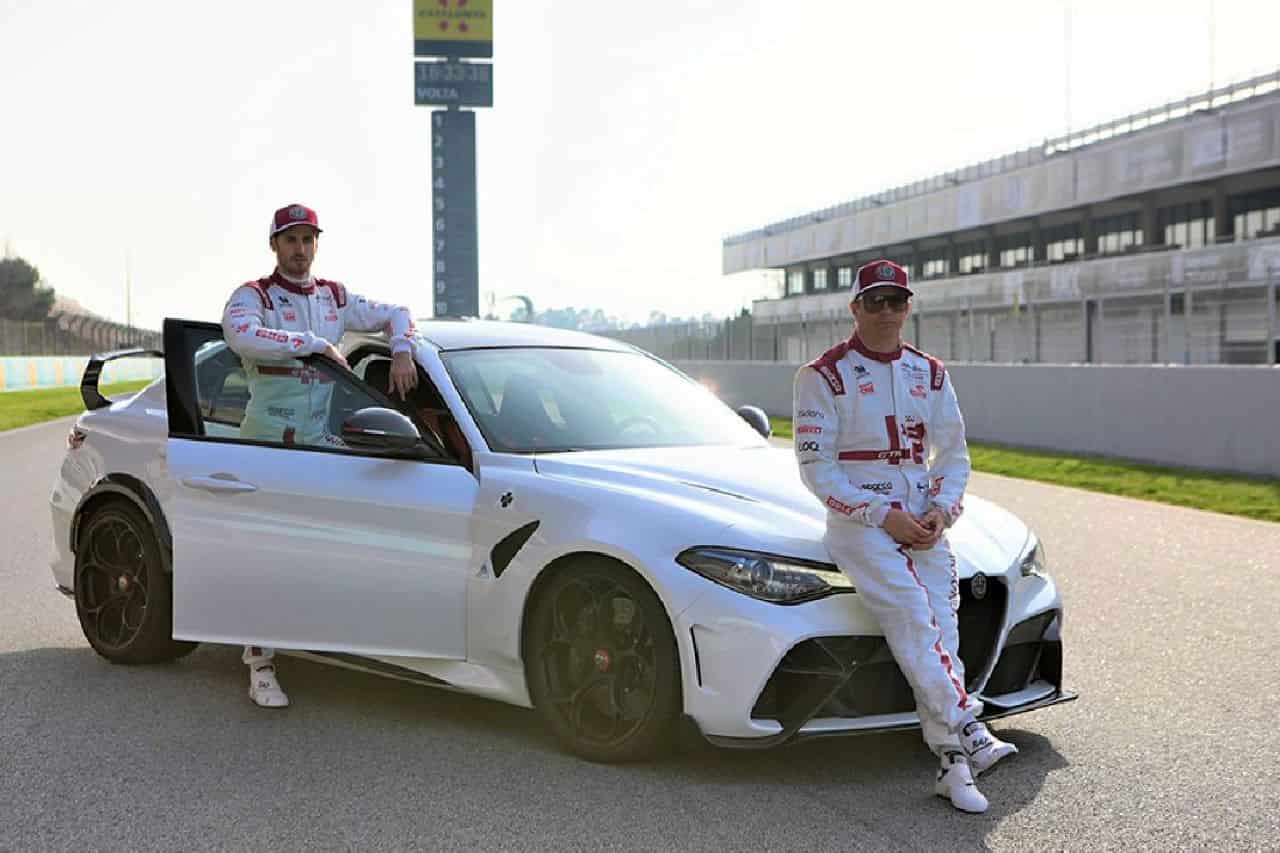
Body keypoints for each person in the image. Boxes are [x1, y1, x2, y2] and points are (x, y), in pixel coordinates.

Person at [792, 259, 1017, 814]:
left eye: (897, 301)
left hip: (922, 519)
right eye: (875, 301)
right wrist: (877, 513)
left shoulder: (931, 372)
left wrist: (942, 510)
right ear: (855, 308)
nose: (887, 311)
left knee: (942, 634)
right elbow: (816, 468)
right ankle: (970, 725)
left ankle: (953, 765)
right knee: (914, 619)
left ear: (908, 306)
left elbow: (954, 452)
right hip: (860, 523)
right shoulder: (821, 376)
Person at [220, 202, 420, 709]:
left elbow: (398, 312)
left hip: (319, 442)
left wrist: (401, 349)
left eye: (309, 240)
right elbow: (238, 333)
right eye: (291, 240)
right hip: (266, 441)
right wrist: (312, 345)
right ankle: (260, 663)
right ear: (274, 246)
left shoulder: (334, 296)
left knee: (337, 541)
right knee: (266, 556)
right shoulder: (254, 295)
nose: (301, 250)